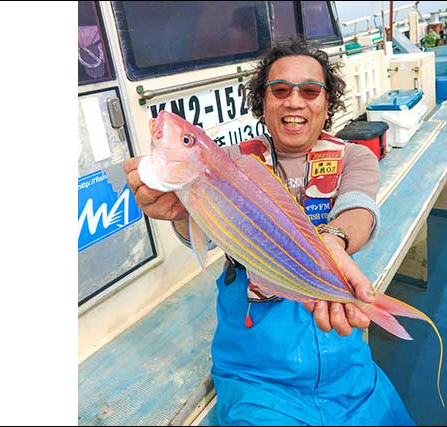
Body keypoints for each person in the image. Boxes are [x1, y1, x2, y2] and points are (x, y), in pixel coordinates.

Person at [124, 38, 414, 426]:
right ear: (263, 102)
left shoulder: (353, 155)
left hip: (343, 354)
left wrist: (334, 240)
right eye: (280, 90)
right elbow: (204, 232)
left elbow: (358, 208)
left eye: (310, 91)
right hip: (255, 366)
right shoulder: (228, 162)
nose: (294, 101)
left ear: (327, 103)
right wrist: (180, 212)